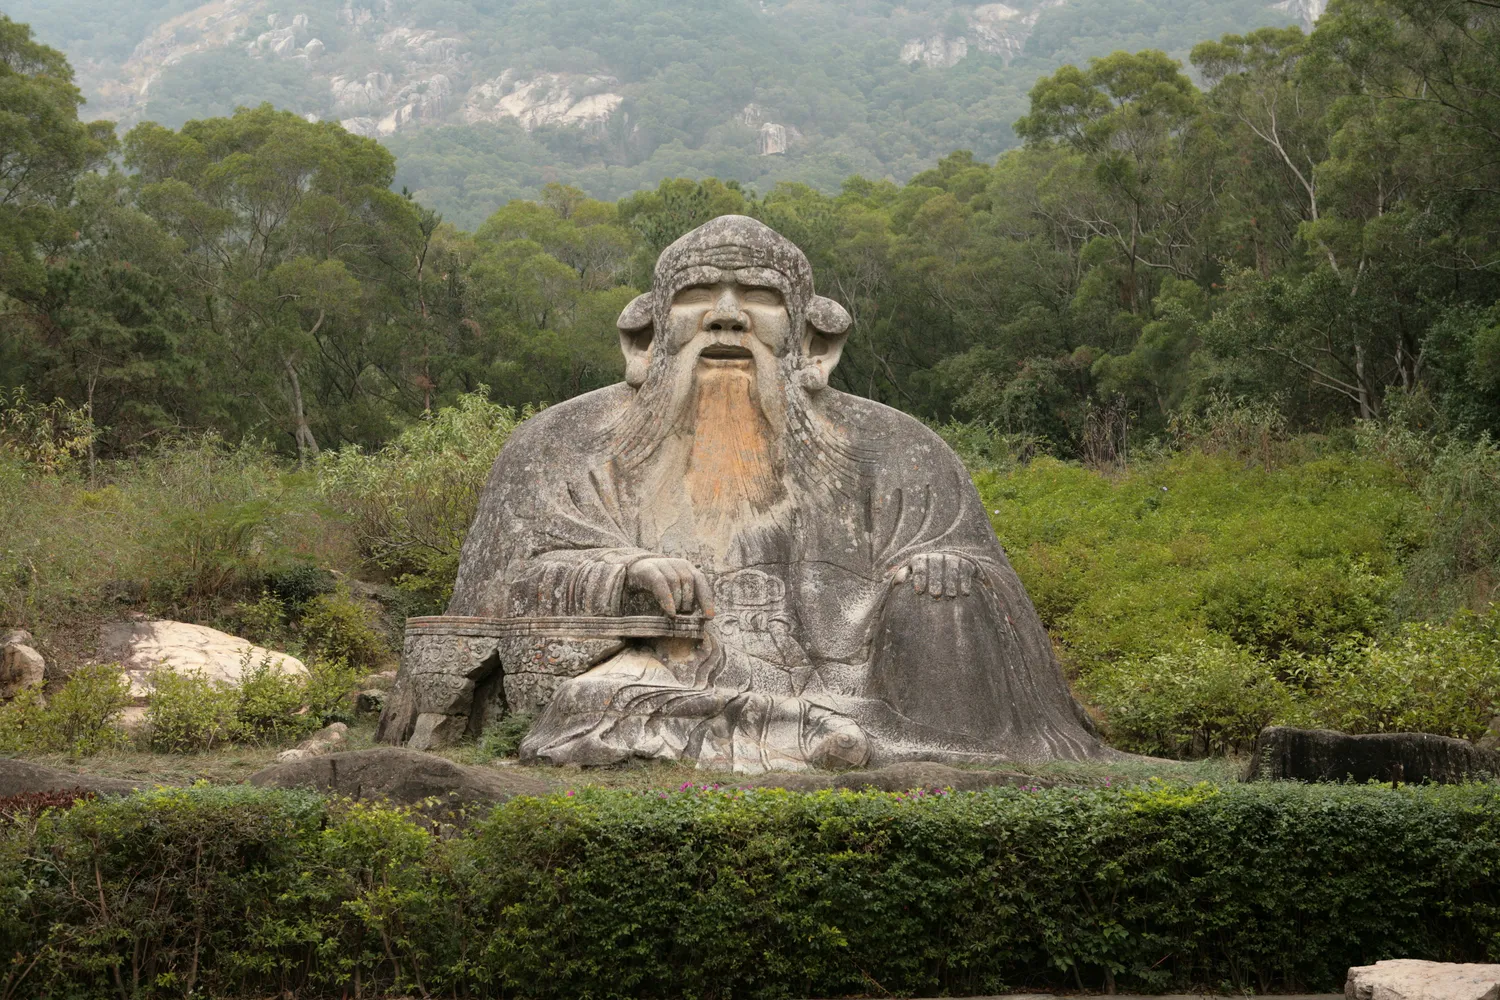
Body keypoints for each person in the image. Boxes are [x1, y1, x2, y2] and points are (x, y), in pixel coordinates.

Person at [447, 215, 1110, 772]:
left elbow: (985, 585)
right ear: (646, 334)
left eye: (760, 297)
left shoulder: (901, 450)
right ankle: (804, 732)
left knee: (952, 597)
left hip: (853, 691)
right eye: (698, 294)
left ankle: (814, 728)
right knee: (602, 703)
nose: (728, 317)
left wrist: (948, 572)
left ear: (814, 338)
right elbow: (492, 600)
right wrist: (624, 575)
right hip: (661, 678)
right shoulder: (559, 443)